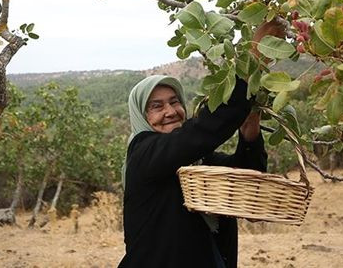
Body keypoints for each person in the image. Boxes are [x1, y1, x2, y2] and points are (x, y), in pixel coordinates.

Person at [118, 21, 282, 268]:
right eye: (157, 106)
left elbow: (246, 176)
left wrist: (249, 134)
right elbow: (201, 132)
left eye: (175, 102)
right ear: (141, 116)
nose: (171, 111)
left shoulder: (197, 162)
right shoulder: (144, 152)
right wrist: (254, 59)